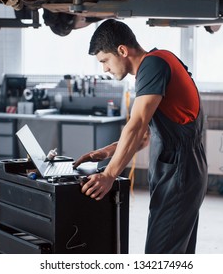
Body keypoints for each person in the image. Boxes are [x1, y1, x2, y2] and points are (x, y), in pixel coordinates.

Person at [73, 19, 208, 254]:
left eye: (105, 60)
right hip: (180, 170)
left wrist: (108, 175)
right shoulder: (160, 61)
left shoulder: (153, 66)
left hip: (180, 173)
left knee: (160, 254)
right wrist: (109, 151)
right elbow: (145, 135)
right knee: (177, 252)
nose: (104, 68)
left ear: (122, 51)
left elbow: (135, 126)